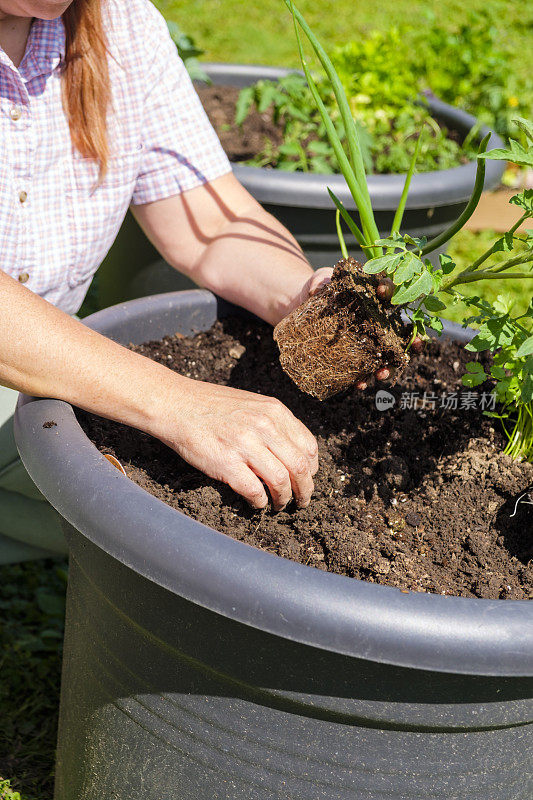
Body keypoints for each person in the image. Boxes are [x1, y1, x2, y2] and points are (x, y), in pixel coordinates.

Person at [0, 0, 392, 562]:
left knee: (172, 497)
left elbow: (211, 223)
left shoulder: (120, 24)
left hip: (31, 367)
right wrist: (179, 404)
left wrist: (309, 302)